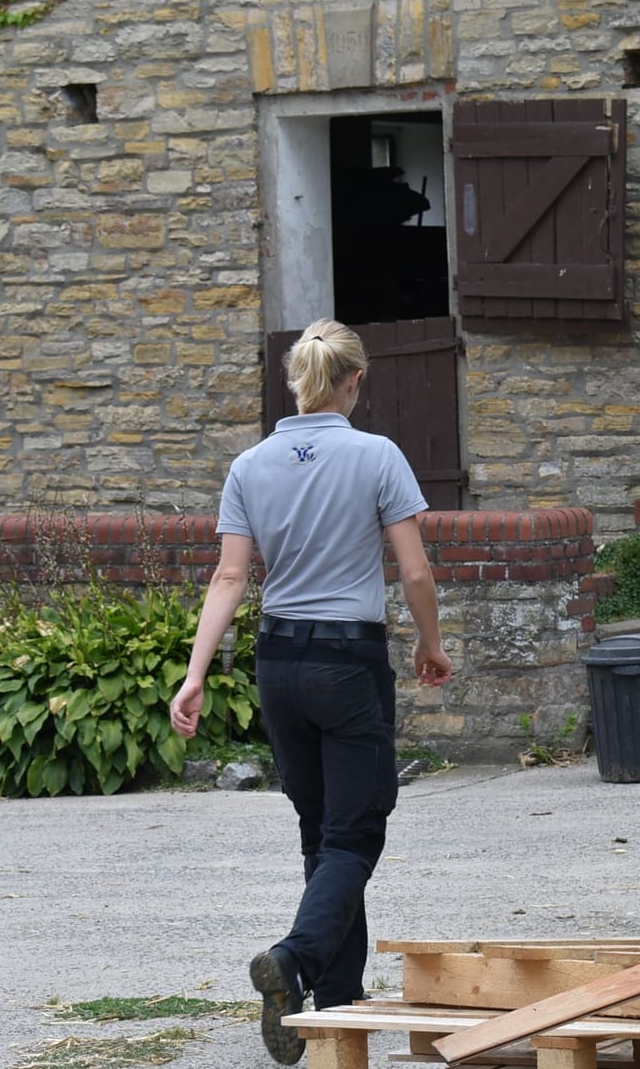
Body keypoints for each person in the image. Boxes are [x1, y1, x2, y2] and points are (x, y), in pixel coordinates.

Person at [168, 317, 453, 1064]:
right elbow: (415, 570)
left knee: (321, 834)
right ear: (354, 382)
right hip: (348, 662)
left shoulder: (250, 466)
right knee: (357, 832)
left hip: (278, 664)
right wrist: (430, 641)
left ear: (294, 381)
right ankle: (295, 960)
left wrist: (196, 675)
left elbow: (231, 576)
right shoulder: (376, 455)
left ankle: (336, 1008)